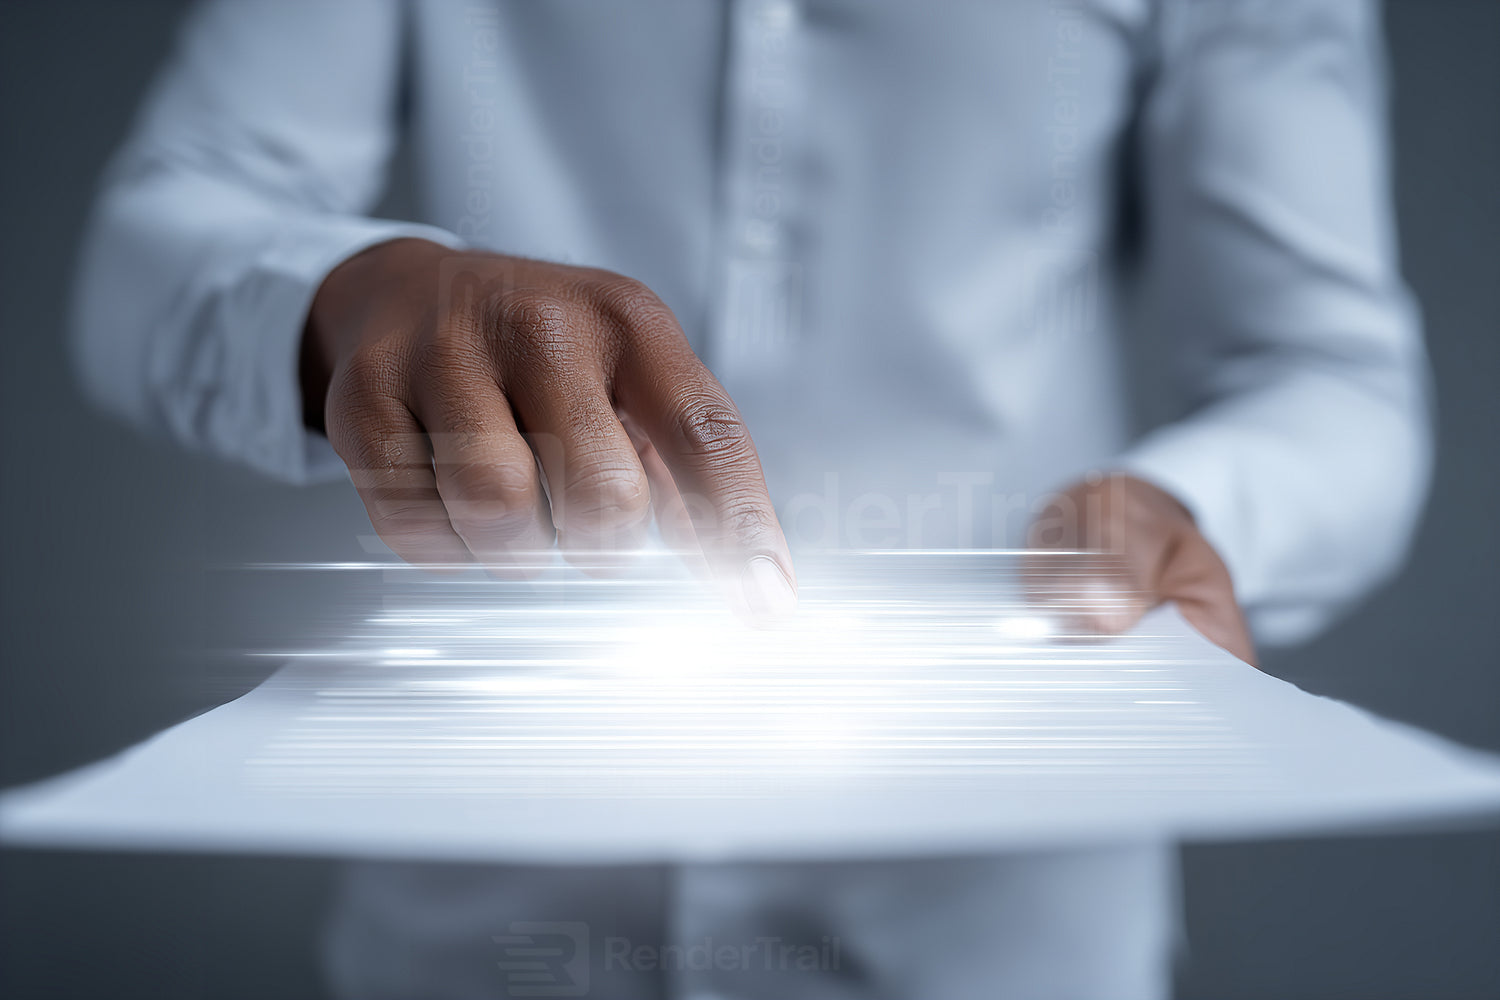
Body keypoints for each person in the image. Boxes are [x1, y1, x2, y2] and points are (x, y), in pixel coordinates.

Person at [70, 0, 1430, 996]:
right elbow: (160, 236)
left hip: (997, 932)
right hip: (478, 934)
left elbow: (1329, 375)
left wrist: (1193, 507)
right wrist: (365, 296)